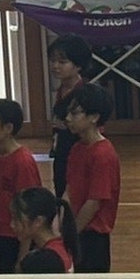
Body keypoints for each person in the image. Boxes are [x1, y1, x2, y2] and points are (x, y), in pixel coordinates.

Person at [62, 82, 121, 274]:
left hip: (93, 236)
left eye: (75, 113)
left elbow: (94, 202)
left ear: (94, 117)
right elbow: (69, 190)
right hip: (76, 229)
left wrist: (72, 233)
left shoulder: (103, 154)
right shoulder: (77, 149)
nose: (68, 118)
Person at [0, 100, 41, 275]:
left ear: (8, 128)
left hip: (18, 237)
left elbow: (29, 211)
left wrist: (23, 257)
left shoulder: (23, 162)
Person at [45, 34, 93, 198]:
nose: (55, 66)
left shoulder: (85, 94)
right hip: (61, 153)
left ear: (78, 65)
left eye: (62, 62)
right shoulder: (61, 90)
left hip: (78, 155)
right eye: (53, 61)